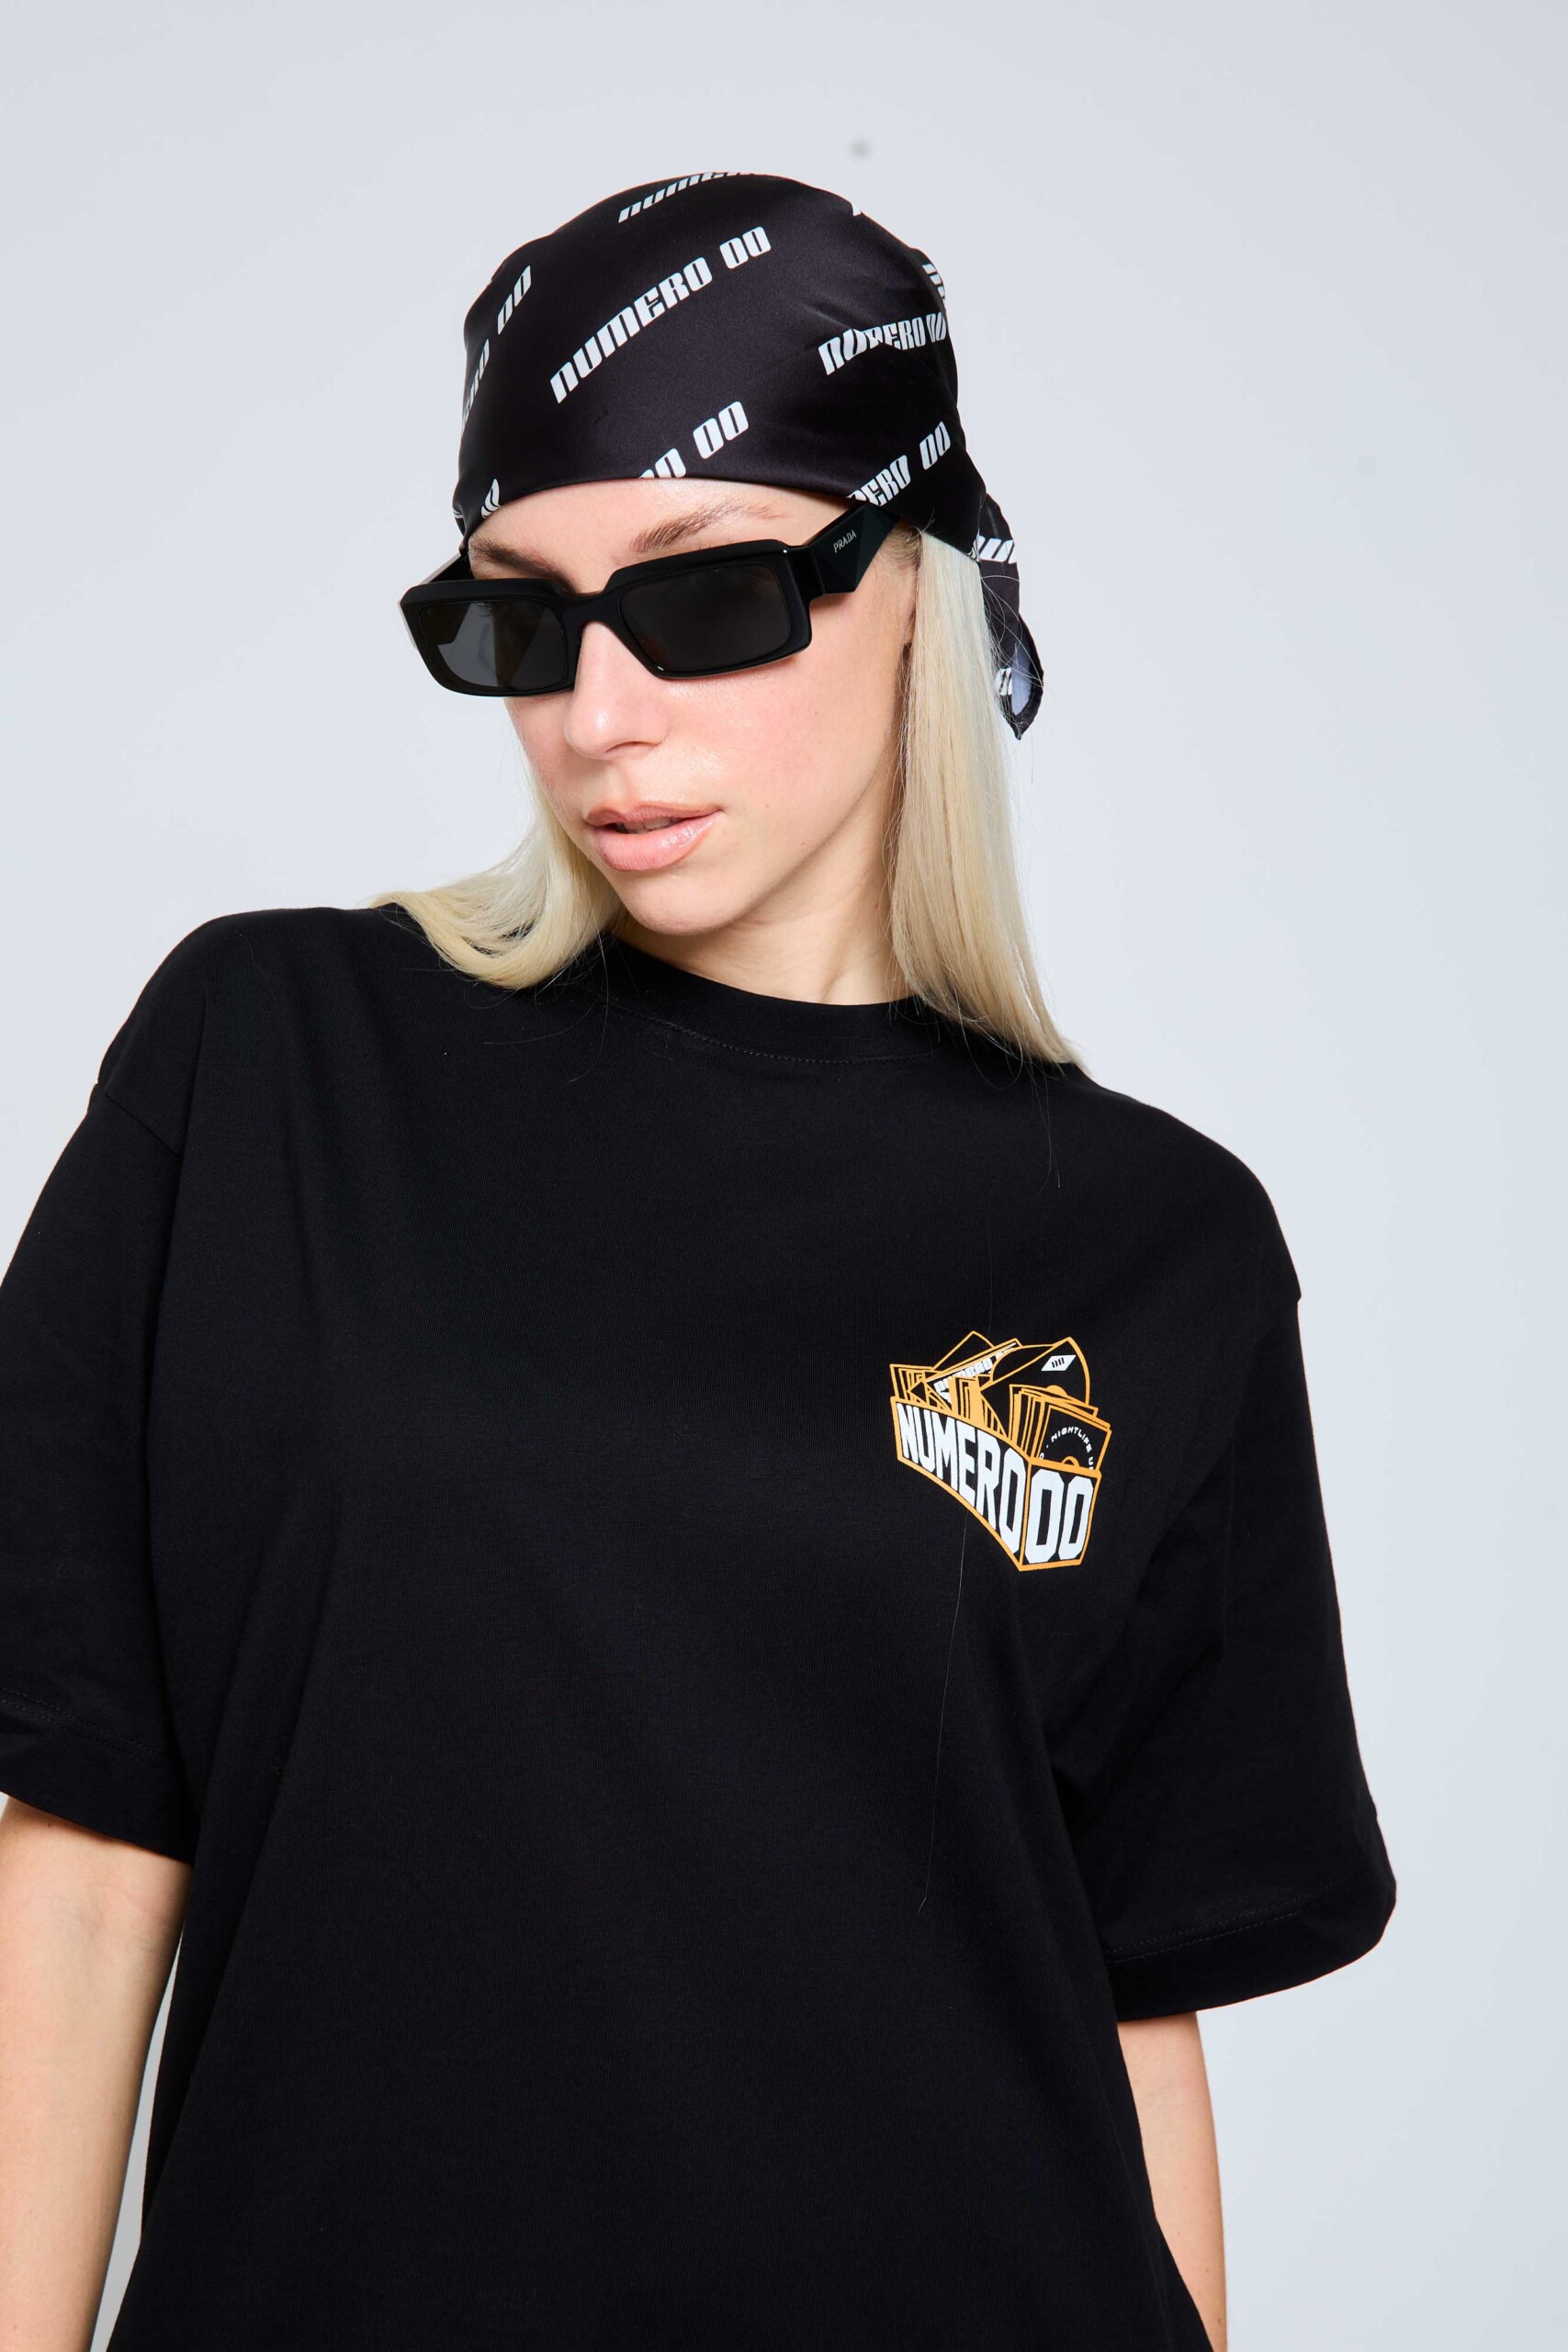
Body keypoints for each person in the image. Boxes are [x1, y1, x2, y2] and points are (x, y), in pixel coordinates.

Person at [0, 174, 1394, 2351]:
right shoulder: (272, 1065)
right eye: (518, 620)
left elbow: (1123, 2001)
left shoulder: (1154, 1244)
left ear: (915, 585)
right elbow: (81, 1857)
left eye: (710, 596)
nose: (598, 712)